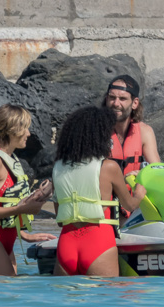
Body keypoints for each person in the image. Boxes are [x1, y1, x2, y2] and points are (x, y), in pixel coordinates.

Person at [52, 106, 147, 277]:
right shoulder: (109, 167)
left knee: (66, 303)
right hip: (98, 243)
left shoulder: (58, 168)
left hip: (66, 244)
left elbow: (60, 220)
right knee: (103, 302)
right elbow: (130, 205)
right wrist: (139, 190)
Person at [0, 104, 56, 276]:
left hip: (5, 243)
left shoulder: (9, 159)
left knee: (11, 298)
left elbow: (2, 202)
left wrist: (25, 235)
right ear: (12, 130)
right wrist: (21, 209)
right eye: (25, 128)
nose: (29, 134)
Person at [103, 74, 161, 175]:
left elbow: (158, 171)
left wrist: (143, 175)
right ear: (107, 99)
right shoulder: (94, 130)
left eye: (122, 99)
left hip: (133, 189)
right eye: (112, 97)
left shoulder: (144, 132)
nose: (116, 103)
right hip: (105, 190)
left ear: (134, 103)